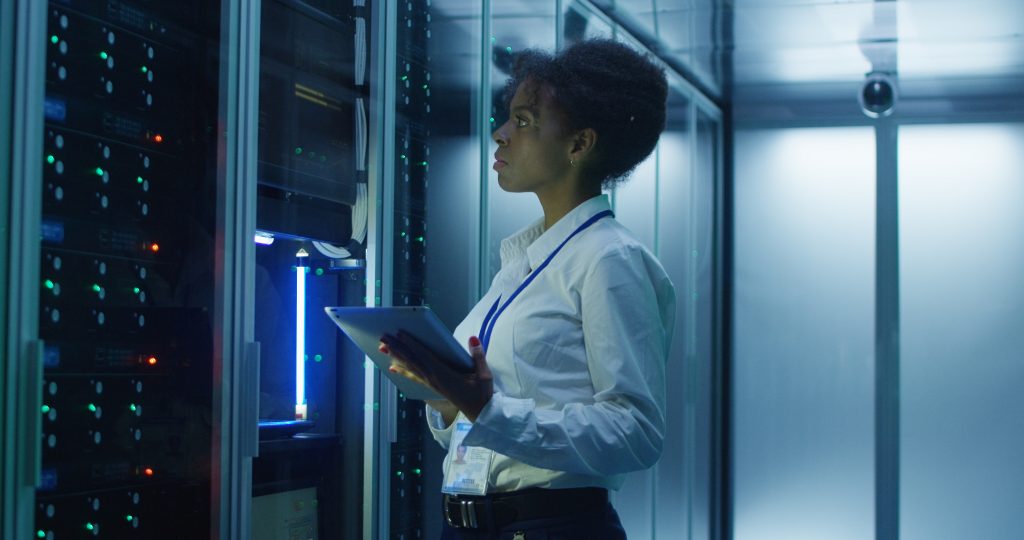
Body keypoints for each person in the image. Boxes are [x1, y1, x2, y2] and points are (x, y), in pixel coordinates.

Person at [379, 38, 674, 539]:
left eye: (523, 121)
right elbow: (498, 415)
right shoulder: (522, 263)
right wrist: (447, 398)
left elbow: (636, 432)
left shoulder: (609, 259)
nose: (500, 134)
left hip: (552, 528)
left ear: (579, 144)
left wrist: (488, 408)